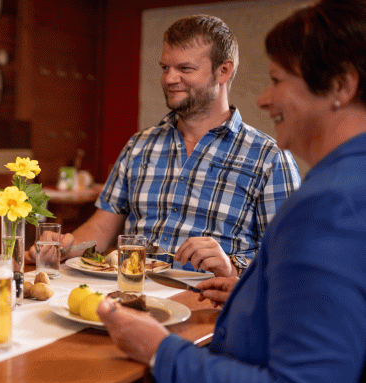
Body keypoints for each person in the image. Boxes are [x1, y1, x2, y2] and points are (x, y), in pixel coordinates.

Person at [81, 1, 366, 383]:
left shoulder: (327, 205)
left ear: (342, 86)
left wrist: (161, 352)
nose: (264, 97)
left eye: (276, 80)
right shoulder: (345, 188)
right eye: (164, 67)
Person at [32, 15, 301, 277]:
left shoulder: (270, 157)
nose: (170, 79)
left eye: (185, 68)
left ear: (224, 70)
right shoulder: (139, 145)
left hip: (209, 305)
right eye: (165, 68)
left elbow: (290, 259)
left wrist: (233, 268)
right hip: (131, 293)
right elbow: (102, 229)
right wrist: (63, 248)